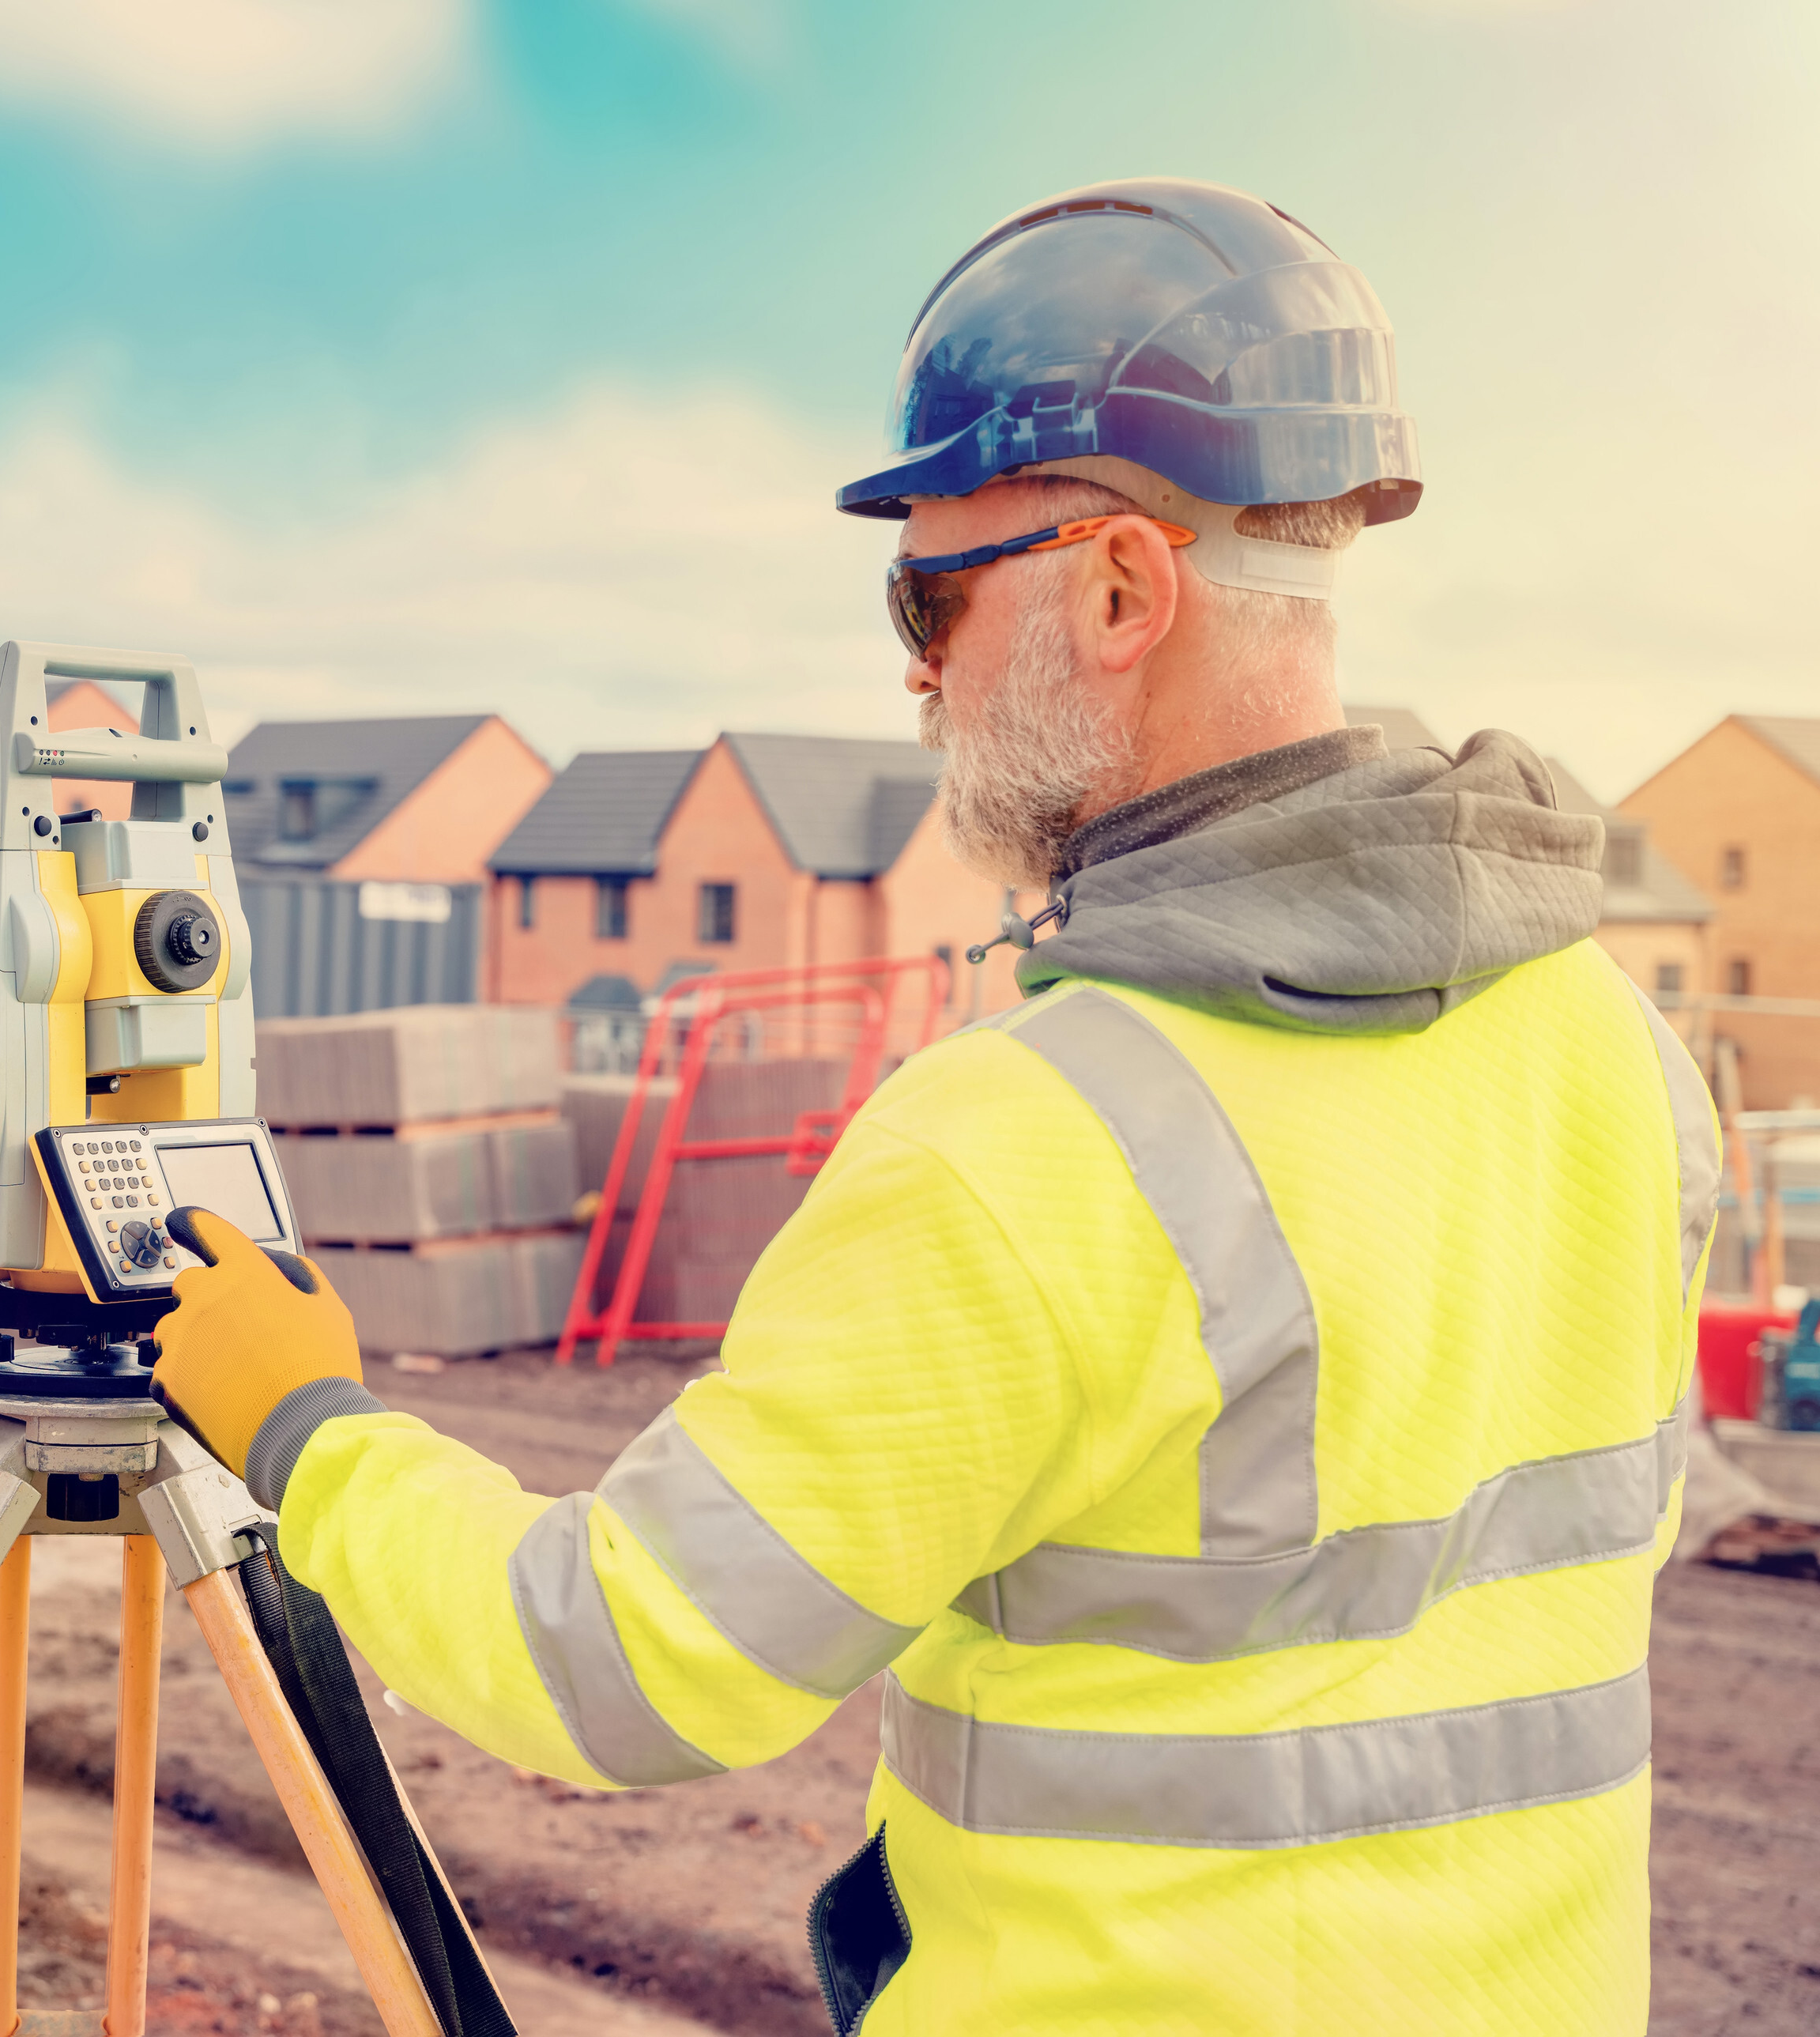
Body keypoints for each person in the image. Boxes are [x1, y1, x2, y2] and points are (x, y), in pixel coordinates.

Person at [152, 178, 1714, 2035]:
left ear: (1123, 586)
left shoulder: (1043, 1136)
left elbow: (626, 1663)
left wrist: (305, 1423)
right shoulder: (1611, 1043)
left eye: (932, 589)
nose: (911, 667)